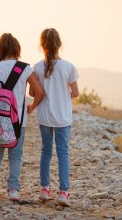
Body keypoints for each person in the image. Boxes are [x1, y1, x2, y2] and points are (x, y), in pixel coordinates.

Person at [0, 33, 43, 201]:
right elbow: (39, 92)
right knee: (16, 155)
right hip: (17, 120)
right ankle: (13, 190)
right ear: (16, 49)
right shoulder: (23, 68)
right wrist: (31, 108)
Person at [30, 28, 79, 206]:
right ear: (59, 45)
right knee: (63, 152)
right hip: (62, 117)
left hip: (44, 116)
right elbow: (75, 93)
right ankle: (63, 193)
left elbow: (33, 91)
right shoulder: (69, 67)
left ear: (41, 45)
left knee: (45, 151)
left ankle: (44, 189)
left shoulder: (36, 67)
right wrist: (62, 92)